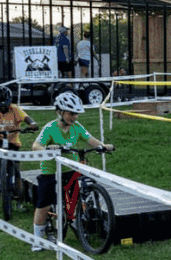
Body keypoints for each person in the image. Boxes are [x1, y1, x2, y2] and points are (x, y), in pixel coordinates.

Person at [30, 91, 114, 251]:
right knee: (44, 203)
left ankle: (77, 219)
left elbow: (90, 139)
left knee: (81, 190)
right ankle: (37, 239)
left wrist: (102, 146)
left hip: (71, 170)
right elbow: (36, 145)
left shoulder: (77, 128)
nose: (74, 117)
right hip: (51, 172)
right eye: (70, 113)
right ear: (60, 112)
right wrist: (47, 148)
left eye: (76, 114)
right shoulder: (51, 128)